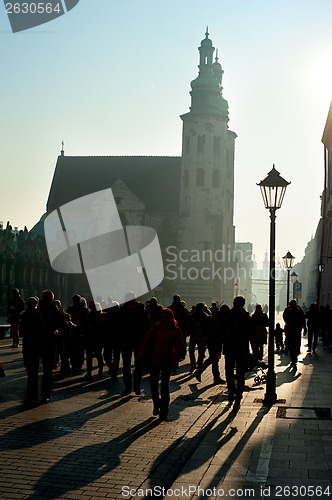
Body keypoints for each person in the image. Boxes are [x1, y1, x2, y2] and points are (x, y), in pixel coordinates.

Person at [138, 308, 185, 421]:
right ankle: (156, 403)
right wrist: (141, 356)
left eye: (167, 316)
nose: (165, 318)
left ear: (170, 317)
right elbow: (146, 342)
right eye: (163, 316)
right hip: (154, 360)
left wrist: (172, 357)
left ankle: (164, 411)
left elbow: (179, 347)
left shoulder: (175, 330)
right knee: (153, 385)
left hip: (167, 361)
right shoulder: (156, 328)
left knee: (164, 386)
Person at [21, 290, 65, 404]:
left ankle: (32, 394)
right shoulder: (55, 312)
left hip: (34, 345)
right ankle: (45, 395)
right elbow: (62, 327)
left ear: (42, 298)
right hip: (48, 345)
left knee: (33, 372)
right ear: (51, 299)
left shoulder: (34, 311)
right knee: (47, 372)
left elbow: (25, 330)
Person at [119, 292, 151, 396]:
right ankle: (131, 387)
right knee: (132, 365)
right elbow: (147, 325)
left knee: (134, 365)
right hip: (132, 340)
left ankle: (133, 387)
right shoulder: (141, 310)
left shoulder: (124, 310)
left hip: (132, 340)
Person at [223, 296, 251, 412]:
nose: (235, 305)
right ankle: (232, 390)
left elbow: (250, 332)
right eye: (235, 303)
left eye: (237, 303)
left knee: (239, 374)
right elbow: (223, 329)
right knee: (229, 372)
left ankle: (237, 398)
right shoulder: (228, 315)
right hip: (231, 347)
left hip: (240, 348)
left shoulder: (245, 317)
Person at [194, 304, 229, 385]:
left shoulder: (217, 317)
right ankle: (199, 372)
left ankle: (216, 377)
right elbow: (220, 332)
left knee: (214, 359)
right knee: (214, 358)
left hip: (211, 341)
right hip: (215, 341)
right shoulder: (220, 319)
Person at [84, 301, 105, 380]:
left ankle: (90, 371)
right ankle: (99, 367)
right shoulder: (102, 316)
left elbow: (85, 325)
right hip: (97, 338)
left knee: (91, 356)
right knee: (97, 355)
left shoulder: (91, 315)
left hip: (92, 338)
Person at [283, 299, 307, 369]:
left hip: (290, 329)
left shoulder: (288, 310)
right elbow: (303, 320)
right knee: (296, 344)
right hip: (296, 329)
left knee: (291, 344)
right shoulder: (299, 310)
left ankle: (293, 357)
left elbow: (285, 318)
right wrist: (304, 328)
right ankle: (294, 356)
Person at [187, 302, 208, 373]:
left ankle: (194, 365)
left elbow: (189, 324)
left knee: (192, 351)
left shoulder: (194, 315)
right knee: (200, 352)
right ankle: (198, 365)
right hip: (199, 335)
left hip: (196, 335)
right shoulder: (204, 315)